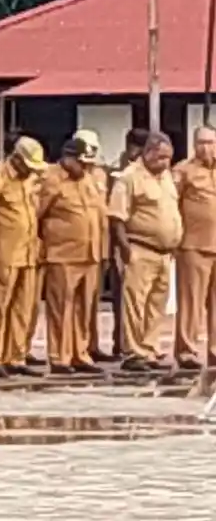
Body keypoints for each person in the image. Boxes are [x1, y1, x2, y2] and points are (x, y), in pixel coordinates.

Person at [108, 130, 182, 373]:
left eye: (168, 158)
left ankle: (149, 349)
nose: (164, 163)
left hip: (164, 253)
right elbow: (117, 217)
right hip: (140, 248)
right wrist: (125, 249)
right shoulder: (129, 178)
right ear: (147, 153)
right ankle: (133, 352)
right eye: (160, 157)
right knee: (135, 304)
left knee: (156, 305)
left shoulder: (166, 177)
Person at [0, 136, 46, 378]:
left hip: (28, 253)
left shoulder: (31, 180)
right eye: (28, 165)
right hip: (1, 254)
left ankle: (15, 356)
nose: (31, 170)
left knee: (23, 307)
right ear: (16, 158)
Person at [37, 138, 105, 376]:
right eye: (80, 162)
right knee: (61, 308)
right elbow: (37, 215)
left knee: (84, 308)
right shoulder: (50, 179)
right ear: (67, 158)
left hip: (90, 253)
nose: (84, 168)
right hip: (62, 253)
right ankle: (60, 356)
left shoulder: (88, 180)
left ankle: (81, 353)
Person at [71, 129, 119, 364]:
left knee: (93, 301)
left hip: (98, 246)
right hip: (74, 249)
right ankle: (76, 348)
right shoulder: (69, 175)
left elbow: (105, 213)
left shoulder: (101, 175)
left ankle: (92, 344)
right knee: (75, 303)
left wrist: (108, 249)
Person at [173, 125, 216, 371]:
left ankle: (214, 350)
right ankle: (187, 351)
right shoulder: (183, 171)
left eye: (210, 142)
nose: (206, 147)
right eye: (201, 142)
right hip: (193, 246)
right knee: (191, 302)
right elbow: (171, 204)